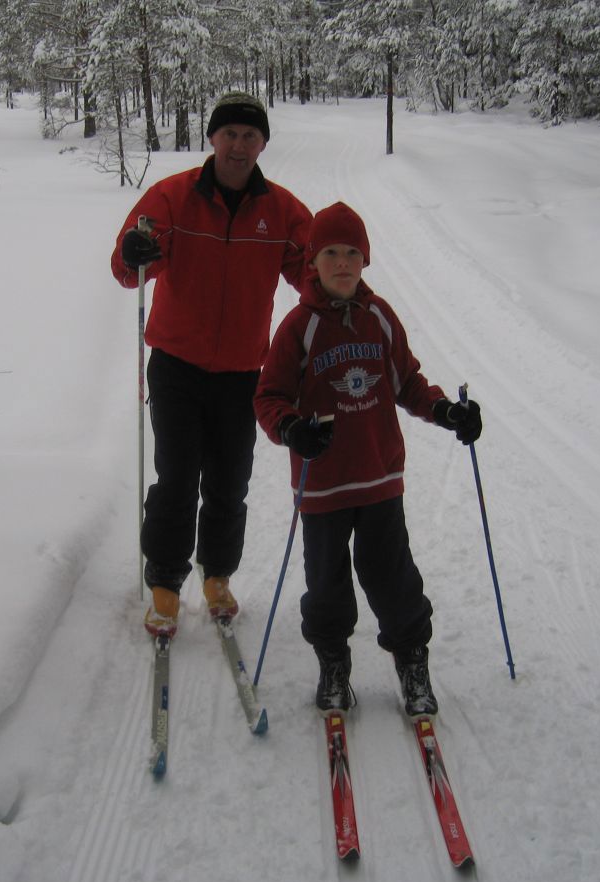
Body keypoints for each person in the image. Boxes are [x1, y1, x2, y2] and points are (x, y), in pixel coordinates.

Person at [253, 201, 483, 716]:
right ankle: (334, 663)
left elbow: (408, 383)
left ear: (365, 260)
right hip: (323, 485)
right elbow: (268, 397)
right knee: (326, 584)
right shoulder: (299, 327)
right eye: (330, 253)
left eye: (352, 253)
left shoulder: (380, 317)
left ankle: (412, 660)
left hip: (379, 478)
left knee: (393, 575)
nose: (341, 264)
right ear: (312, 260)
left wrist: (446, 411)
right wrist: (292, 429)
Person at [111, 92, 312, 639]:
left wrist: (341, 303)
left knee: (229, 480)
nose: (240, 145)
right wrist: (133, 252)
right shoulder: (173, 197)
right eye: (231, 134)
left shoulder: (283, 210)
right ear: (213, 138)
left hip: (244, 370)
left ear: (263, 144)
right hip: (177, 363)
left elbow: (314, 270)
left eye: (251, 136)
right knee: (177, 476)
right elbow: (129, 267)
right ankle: (166, 581)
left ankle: (217, 575)